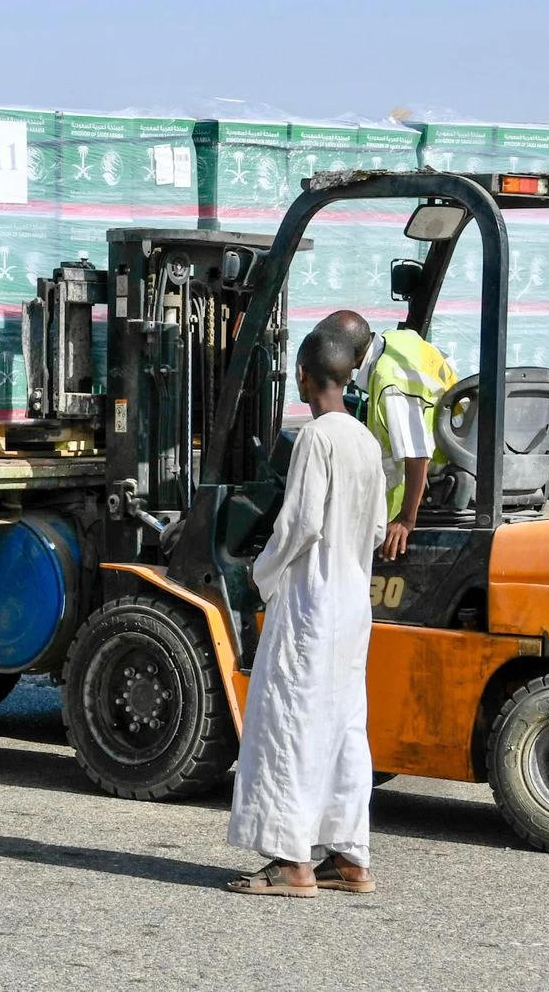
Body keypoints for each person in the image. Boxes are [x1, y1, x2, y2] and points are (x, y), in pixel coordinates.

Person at [227, 325, 387, 898]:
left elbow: (300, 524)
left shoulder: (316, 439)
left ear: (301, 375)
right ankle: (349, 857)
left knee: (288, 722)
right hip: (352, 604)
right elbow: (373, 529)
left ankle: (292, 863)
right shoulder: (366, 441)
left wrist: (262, 573)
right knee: (345, 727)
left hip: (310, 604)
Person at [318, 310, 456, 561]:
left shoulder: (390, 385)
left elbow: (417, 453)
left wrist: (405, 520)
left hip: (431, 477)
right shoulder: (400, 340)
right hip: (452, 444)